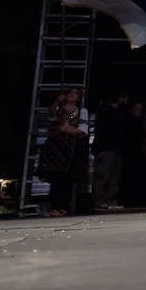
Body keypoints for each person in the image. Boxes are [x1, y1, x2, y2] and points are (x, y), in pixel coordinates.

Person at [40, 89, 89, 217]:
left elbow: (82, 130)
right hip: (56, 147)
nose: (73, 95)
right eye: (70, 93)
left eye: (76, 94)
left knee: (67, 177)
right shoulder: (58, 108)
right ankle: (54, 205)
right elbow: (51, 117)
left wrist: (65, 128)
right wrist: (57, 101)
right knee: (55, 177)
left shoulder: (81, 111)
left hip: (70, 147)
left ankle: (63, 207)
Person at [92, 89, 129, 210]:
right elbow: (101, 131)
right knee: (103, 175)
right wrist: (99, 149)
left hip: (116, 148)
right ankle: (99, 200)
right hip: (106, 148)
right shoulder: (105, 110)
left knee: (114, 177)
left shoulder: (119, 112)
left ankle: (111, 200)